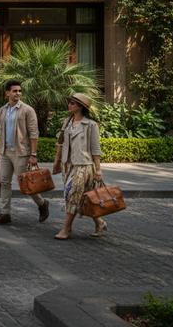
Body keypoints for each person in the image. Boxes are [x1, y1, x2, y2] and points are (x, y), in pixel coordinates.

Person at [0, 79, 50, 225]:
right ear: (7, 93)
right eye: (15, 91)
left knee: (26, 184)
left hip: (21, 152)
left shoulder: (27, 110)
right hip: (5, 152)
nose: (18, 93)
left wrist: (33, 154)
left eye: (19, 91)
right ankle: (5, 214)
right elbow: (1, 131)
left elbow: (34, 133)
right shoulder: (3, 110)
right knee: (4, 182)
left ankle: (42, 204)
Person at [51, 92, 106, 240]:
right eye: (69, 102)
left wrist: (98, 169)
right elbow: (60, 144)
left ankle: (66, 229)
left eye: (72, 103)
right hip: (67, 166)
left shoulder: (91, 125)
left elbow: (96, 149)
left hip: (84, 166)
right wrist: (56, 162)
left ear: (81, 107)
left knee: (72, 196)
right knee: (82, 198)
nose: (69, 105)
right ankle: (100, 223)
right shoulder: (66, 123)